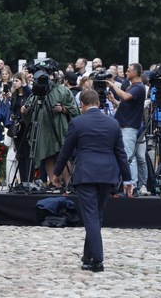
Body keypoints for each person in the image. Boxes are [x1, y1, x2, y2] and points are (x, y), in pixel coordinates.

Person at [51, 88, 133, 273]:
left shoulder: (77, 122)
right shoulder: (113, 123)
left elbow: (66, 149)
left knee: (90, 217)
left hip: (86, 174)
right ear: (97, 103)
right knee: (97, 216)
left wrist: (57, 172)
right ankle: (88, 257)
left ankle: (98, 259)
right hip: (107, 175)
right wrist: (127, 179)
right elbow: (121, 153)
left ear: (82, 105)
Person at [109, 63, 147, 195]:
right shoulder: (133, 86)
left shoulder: (138, 87)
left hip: (129, 128)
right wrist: (114, 100)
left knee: (129, 157)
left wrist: (113, 85)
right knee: (127, 156)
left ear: (135, 73)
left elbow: (125, 97)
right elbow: (126, 104)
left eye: (128, 70)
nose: (126, 73)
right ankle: (129, 184)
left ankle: (133, 185)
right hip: (125, 126)